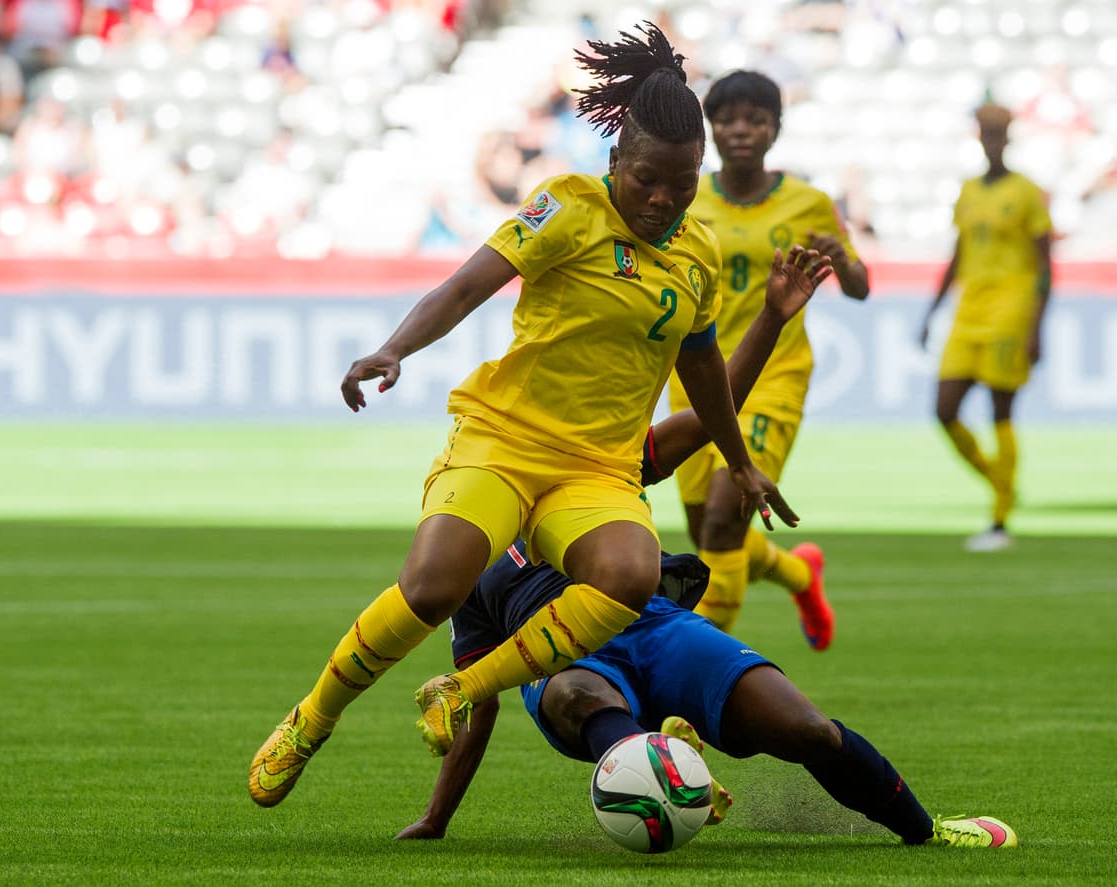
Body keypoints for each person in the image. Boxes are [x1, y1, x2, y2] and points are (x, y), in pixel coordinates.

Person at [248, 22, 807, 809]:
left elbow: (704, 369)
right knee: (433, 587)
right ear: (615, 161)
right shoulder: (567, 207)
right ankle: (313, 718)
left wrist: (740, 462)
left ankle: (461, 687)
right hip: (504, 441)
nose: (663, 199)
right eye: (648, 179)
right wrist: (394, 347)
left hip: (595, 469)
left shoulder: (698, 255)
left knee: (631, 573)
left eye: (683, 185)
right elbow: (466, 287)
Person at [394, 421, 1017, 849]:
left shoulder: (595, 466)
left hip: (655, 626)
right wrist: (436, 817)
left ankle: (926, 831)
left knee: (809, 731)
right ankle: (672, 770)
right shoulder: (465, 560)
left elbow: (699, 416)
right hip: (559, 657)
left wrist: (771, 318)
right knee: (573, 695)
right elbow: (477, 698)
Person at [667, 70, 870, 648]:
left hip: (773, 377)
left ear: (775, 130)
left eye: (755, 120)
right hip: (697, 378)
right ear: (710, 128)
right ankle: (800, 575)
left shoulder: (809, 203)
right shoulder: (686, 196)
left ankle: (697, 671)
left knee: (724, 520)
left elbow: (859, 287)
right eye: (728, 119)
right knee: (709, 534)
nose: (741, 130)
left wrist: (843, 261)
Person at [918, 103, 1053, 552]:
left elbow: (1045, 264)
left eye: (998, 132)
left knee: (1001, 411)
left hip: (1011, 309)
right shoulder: (969, 191)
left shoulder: (1027, 193)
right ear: (979, 136)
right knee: (944, 409)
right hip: (969, 309)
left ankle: (999, 520)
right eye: (986, 132)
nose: (992, 139)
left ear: (1008, 137)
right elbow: (957, 254)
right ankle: (1001, 482)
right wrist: (932, 311)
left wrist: (1037, 326)